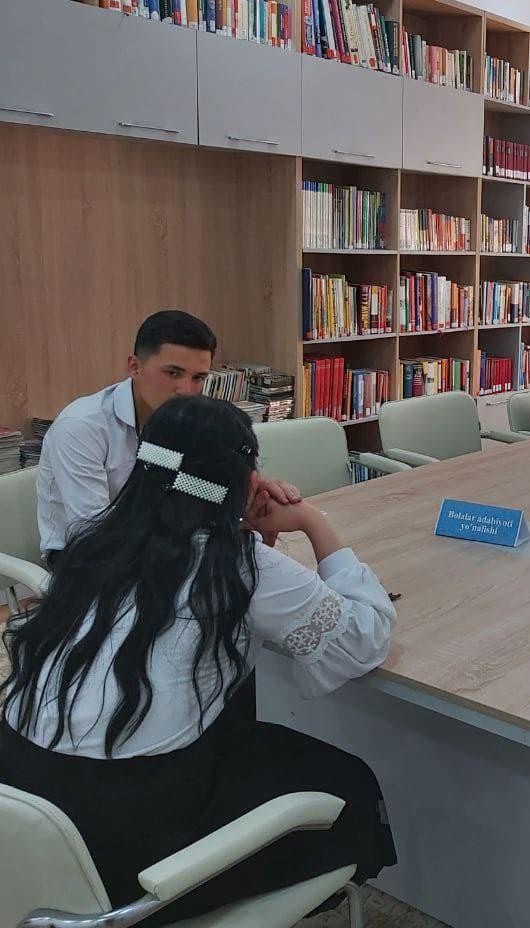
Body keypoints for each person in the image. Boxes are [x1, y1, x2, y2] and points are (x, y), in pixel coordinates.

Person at [1, 396, 397, 925]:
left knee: (232, 721)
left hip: (22, 792)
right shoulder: (235, 563)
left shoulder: (97, 539)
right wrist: (310, 520)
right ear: (245, 479)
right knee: (348, 785)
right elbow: (363, 639)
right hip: (119, 842)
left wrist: (230, 506)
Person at [37, 309, 301, 563]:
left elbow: (186, 484)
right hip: (88, 558)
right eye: (173, 373)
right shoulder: (81, 427)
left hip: (164, 545)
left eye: (198, 377)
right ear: (134, 367)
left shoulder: (183, 422)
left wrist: (246, 493)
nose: (186, 390)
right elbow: (93, 530)